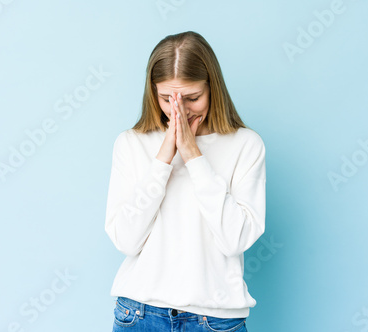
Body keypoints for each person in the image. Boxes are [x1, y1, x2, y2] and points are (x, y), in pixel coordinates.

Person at [105, 30, 266, 332]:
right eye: (167, 98)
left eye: (192, 98)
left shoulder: (246, 145)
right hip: (139, 315)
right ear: (152, 93)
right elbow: (126, 240)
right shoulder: (130, 144)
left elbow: (235, 240)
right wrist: (163, 159)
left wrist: (193, 155)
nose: (179, 109)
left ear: (212, 89)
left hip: (214, 320)